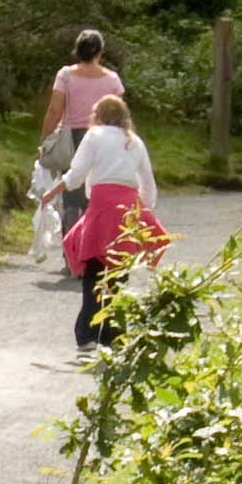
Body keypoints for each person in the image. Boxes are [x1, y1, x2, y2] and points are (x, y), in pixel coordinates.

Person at [57, 93, 167, 355]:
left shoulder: (93, 136)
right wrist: (144, 208)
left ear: (98, 115)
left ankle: (87, 333)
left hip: (101, 204)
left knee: (94, 268)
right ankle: (114, 332)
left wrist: (57, 189)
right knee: (118, 272)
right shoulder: (134, 141)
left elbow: (77, 171)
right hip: (127, 208)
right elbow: (147, 182)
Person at [41, 28, 127, 162]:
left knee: (70, 180)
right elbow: (119, 116)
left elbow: (54, 111)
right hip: (102, 139)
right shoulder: (113, 79)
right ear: (100, 52)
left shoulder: (65, 75)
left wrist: (45, 140)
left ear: (78, 50)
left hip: (71, 139)